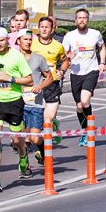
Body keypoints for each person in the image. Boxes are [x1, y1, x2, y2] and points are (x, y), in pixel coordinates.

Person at [0, 27, 33, 192]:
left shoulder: (17, 56)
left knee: (17, 139)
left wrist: (10, 78)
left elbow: (30, 80)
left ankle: (23, 155)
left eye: (1, 41)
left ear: (7, 40)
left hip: (14, 102)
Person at [62, 9, 106, 146]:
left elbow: (102, 47)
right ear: (75, 20)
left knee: (85, 100)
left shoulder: (95, 34)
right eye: (79, 18)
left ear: (88, 19)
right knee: (79, 106)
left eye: (84, 18)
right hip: (76, 73)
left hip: (91, 71)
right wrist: (67, 58)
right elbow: (63, 53)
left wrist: (102, 62)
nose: (82, 20)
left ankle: (89, 130)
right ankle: (85, 130)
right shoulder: (69, 36)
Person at [19, 30, 54, 168]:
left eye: (29, 39)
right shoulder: (14, 58)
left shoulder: (38, 59)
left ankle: (43, 151)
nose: (28, 42)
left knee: (34, 138)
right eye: (25, 39)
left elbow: (50, 77)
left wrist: (40, 86)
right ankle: (24, 165)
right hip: (18, 103)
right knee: (21, 139)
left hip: (35, 103)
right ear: (18, 41)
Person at [31, 17, 69, 145]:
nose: (44, 29)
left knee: (48, 119)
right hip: (35, 85)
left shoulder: (58, 46)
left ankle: (45, 151)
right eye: (42, 26)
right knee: (37, 121)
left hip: (51, 85)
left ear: (52, 29)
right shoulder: (32, 44)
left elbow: (65, 61)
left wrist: (62, 71)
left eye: (47, 27)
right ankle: (42, 147)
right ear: (38, 27)